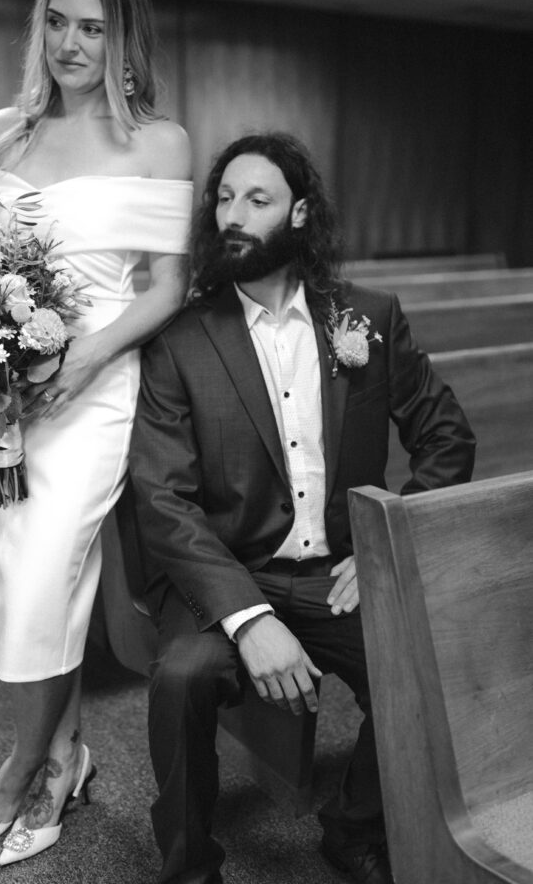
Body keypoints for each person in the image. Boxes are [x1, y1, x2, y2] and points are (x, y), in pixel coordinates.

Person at [128, 131, 475, 884]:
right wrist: (248, 619)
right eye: (223, 197)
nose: (233, 213)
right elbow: (163, 501)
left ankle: (351, 827)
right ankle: (189, 866)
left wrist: (384, 551)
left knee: (424, 666)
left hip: (339, 572)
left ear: (298, 214)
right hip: (228, 574)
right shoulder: (180, 341)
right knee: (183, 677)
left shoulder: (367, 319)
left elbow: (445, 438)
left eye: (257, 199)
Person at [0, 0, 192, 866]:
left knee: (48, 569)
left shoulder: (159, 142)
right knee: (24, 578)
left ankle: (17, 769)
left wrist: (88, 355)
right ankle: (65, 753)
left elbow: (169, 286)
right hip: (4, 399)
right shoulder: (2, 132)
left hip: (90, 388)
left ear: (123, 37)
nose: (71, 43)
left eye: (93, 26)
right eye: (58, 21)